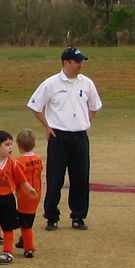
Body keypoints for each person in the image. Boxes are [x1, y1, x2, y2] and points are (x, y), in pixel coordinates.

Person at [27, 47, 102, 231]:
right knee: (55, 177)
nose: (81, 65)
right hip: (58, 136)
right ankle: (51, 216)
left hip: (80, 136)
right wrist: (47, 125)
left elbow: (94, 105)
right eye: (77, 62)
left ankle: (78, 216)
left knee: (80, 177)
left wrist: (85, 121)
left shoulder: (87, 83)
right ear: (66, 63)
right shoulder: (51, 84)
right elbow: (35, 105)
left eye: (82, 61)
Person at [0, 129, 37, 264]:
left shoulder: (13, 163)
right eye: (7, 144)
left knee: (8, 227)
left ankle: (7, 252)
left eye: (11, 144)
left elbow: (21, 178)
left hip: (8, 199)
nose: (11, 147)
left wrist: (29, 188)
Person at [13, 128, 44, 257]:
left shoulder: (19, 162)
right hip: (36, 193)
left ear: (19, 146)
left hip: (25, 195)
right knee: (28, 219)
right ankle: (23, 240)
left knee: (25, 223)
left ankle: (29, 247)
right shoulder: (38, 159)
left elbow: (17, 178)